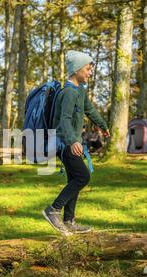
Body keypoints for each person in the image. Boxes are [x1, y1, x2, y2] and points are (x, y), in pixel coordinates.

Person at [43, 50, 110, 235]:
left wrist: (103, 125)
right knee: (83, 177)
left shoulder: (80, 90)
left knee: (75, 179)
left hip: (71, 142)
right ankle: (53, 209)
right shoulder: (68, 92)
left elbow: (89, 110)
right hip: (64, 143)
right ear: (77, 69)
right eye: (88, 69)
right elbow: (64, 119)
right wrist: (72, 141)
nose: (90, 73)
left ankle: (69, 220)